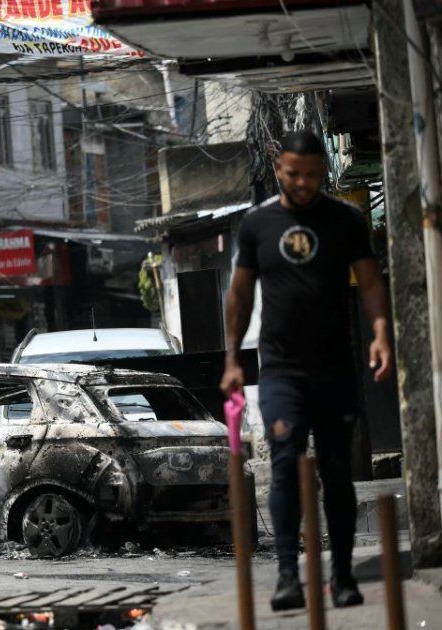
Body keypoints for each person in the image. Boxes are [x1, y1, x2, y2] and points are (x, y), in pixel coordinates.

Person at [220, 130, 392, 611]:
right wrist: (232, 359)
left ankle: (341, 576)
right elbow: (238, 295)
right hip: (280, 372)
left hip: (335, 368)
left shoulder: (345, 220)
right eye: (294, 174)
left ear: (322, 172)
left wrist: (380, 332)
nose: (303, 183)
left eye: (313, 175)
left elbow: (372, 283)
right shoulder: (257, 225)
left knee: (337, 472)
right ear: (279, 169)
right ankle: (287, 577)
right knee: (283, 464)